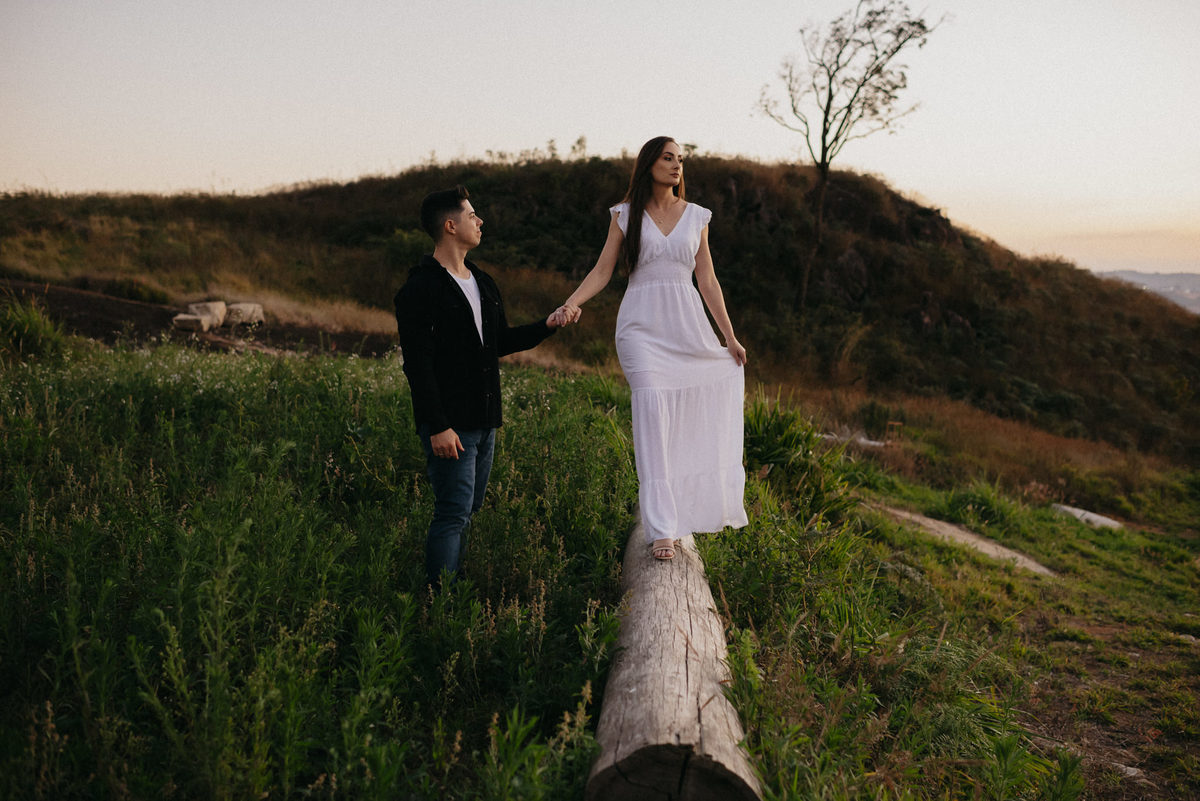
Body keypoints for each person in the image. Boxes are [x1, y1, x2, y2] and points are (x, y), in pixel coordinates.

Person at [553, 137, 748, 561]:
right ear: (648, 164)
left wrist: (728, 336)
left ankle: (682, 511)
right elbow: (604, 270)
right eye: (667, 157)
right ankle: (662, 527)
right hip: (640, 328)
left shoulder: (696, 216)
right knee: (652, 412)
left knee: (682, 419)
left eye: (681, 159)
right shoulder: (625, 215)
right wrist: (572, 302)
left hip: (686, 328)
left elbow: (708, 281)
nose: (677, 165)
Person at [395, 185, 573, 589]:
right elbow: (417, 366)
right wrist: (437, 425)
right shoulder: (419, 289)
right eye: (473, 215)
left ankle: (451, 588)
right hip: (451, 426)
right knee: (452, 513)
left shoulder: (483, 283)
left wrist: (548, 325)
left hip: (485, 420)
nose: (480, 221)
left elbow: (499, 343)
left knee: (468, 509)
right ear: (450, 225)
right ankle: (440, 602)